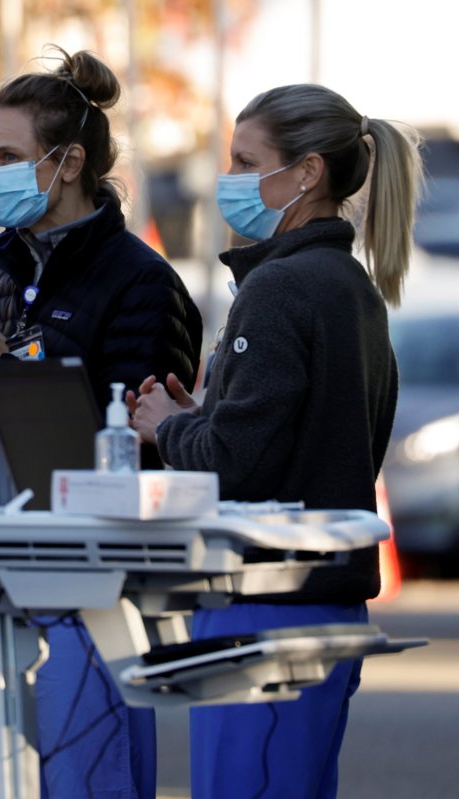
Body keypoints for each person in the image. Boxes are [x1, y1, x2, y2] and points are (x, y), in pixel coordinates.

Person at [131, 83, 424, 799]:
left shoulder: (281, 288)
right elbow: (300, 442)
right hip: (322, 604)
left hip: (263, 606)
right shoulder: (350, 287)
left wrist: (166, 427)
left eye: (244, 158)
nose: (229, 176)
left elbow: (237, 464)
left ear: (307, 172)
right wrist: (199, 416)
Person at [0, 47, 202, 799]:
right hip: (10, 564)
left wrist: (7, 365)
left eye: (10, 156)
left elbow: (132, 432)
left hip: (98, 581)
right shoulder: (4, 272)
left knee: (93, 773)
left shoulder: (141, 282)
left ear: (70, 162)